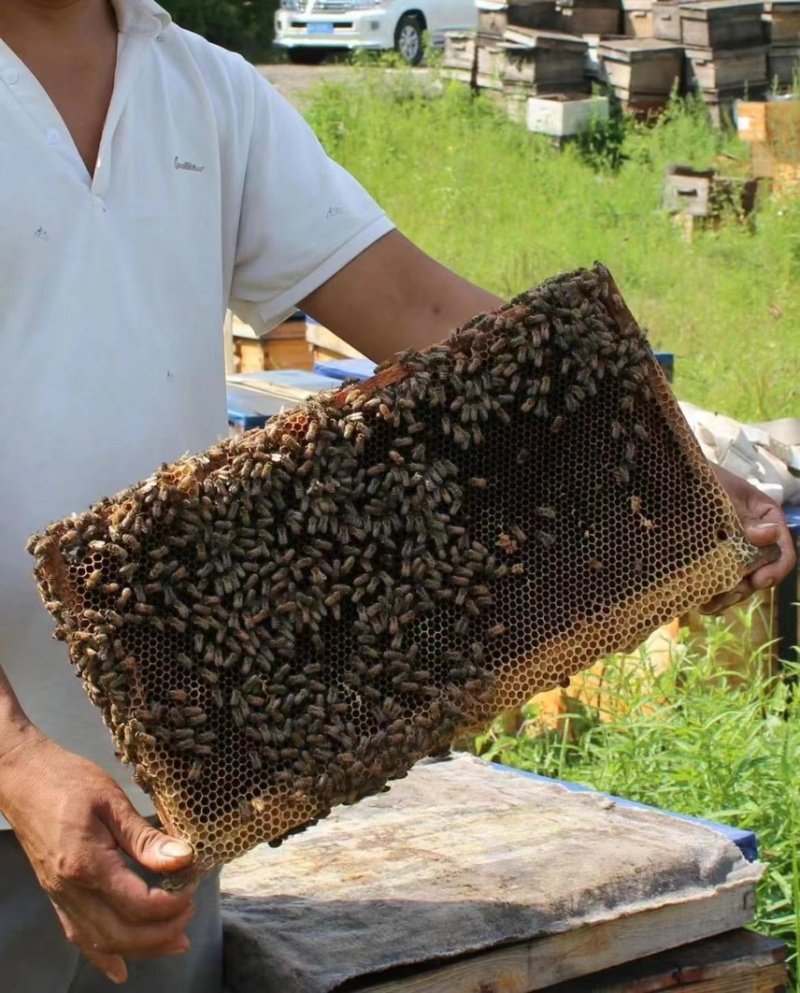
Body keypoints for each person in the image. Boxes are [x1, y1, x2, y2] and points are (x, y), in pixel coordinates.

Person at [0, 0, 794, 990]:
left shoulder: (200, 88)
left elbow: (414, 305)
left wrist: (661, 473)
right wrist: (17, 760)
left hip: (173, 797)